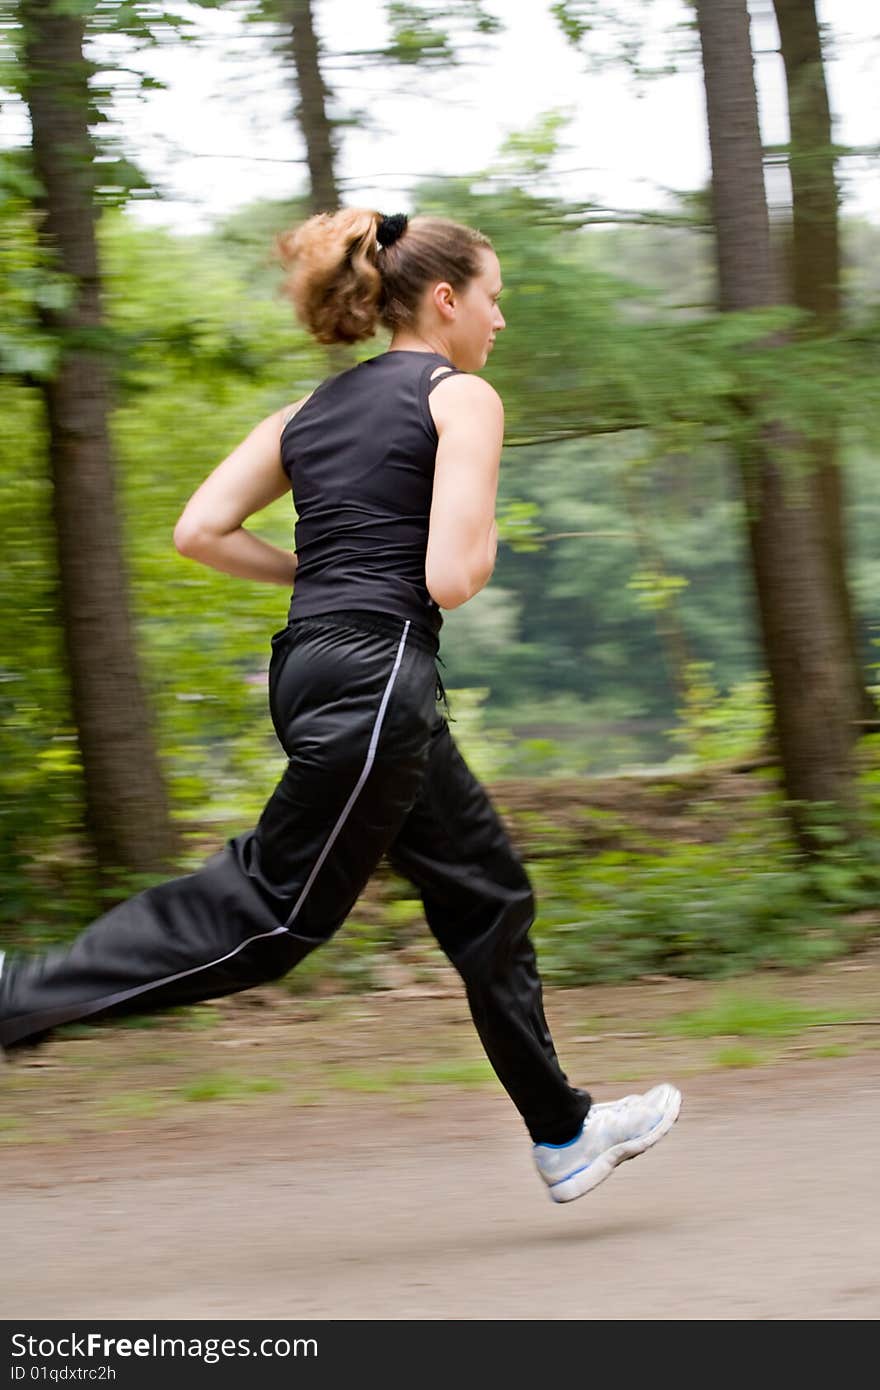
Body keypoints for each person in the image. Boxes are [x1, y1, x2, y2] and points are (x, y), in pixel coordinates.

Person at [0, 208, 680, 1202]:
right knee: (272, 913)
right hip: (378, 680)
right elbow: (450, 576)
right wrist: (466, 546)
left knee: (484, 889)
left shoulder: (304, 415)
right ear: (445, 299)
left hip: (317, 669)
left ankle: (564, 1131)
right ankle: (17, 997)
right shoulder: (461, 398)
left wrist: (315, 572)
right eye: (493, 299)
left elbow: (199, 528)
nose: (499, 322)